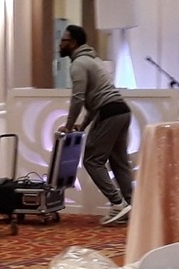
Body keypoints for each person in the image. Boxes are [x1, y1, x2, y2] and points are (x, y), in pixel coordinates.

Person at [57, 24, 134, 226]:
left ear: (73, 43)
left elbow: (78, 98)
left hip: (108, 112)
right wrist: (82, 126)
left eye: (63, 40)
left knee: (92, 159)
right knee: (119, 161)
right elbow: (93, 101)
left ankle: (117, 203)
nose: (60, 44)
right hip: (121, 111)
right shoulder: (93, 61)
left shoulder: (79, 64)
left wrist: (69, 125)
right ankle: (133, 206)